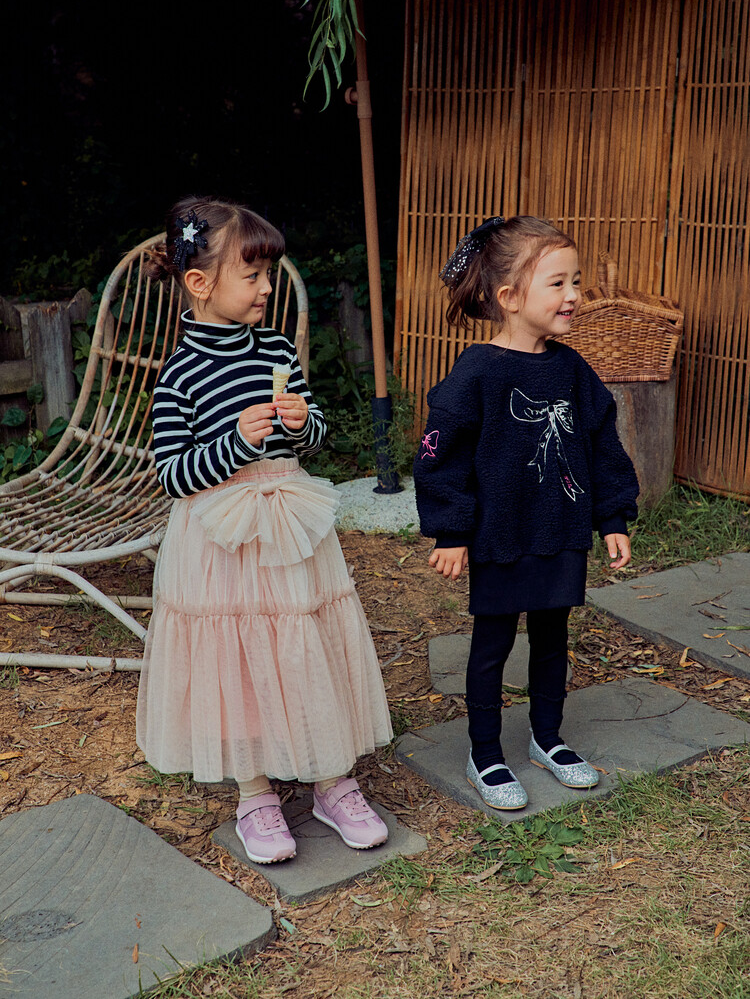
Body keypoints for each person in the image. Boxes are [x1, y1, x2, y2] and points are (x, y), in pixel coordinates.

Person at [136, 196, 393, 863]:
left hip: (287, 524)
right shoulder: (181, 375)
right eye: (251, 275)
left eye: (268, 274)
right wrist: (233, 443)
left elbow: (314, 435)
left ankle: (331, 779)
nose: (266, 287)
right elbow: (174, 474)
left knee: (302, 638)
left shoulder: (275, 348)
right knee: (237, 654)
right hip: (221, 539)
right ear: (200, 283)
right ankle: (255, 792)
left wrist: (303, 423)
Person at [413, 216, 638, 811]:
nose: (574, 295)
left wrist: (613, 517)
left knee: (552, 637)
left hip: (559, 530)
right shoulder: (477, 371)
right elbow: (440, 452)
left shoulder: (572, 370)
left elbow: (603, 445)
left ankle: (547, 739)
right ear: (510, 297)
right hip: (499, 535)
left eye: (576, 281)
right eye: (558, 283)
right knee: (492, 645)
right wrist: (451, 529)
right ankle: (485, 753)